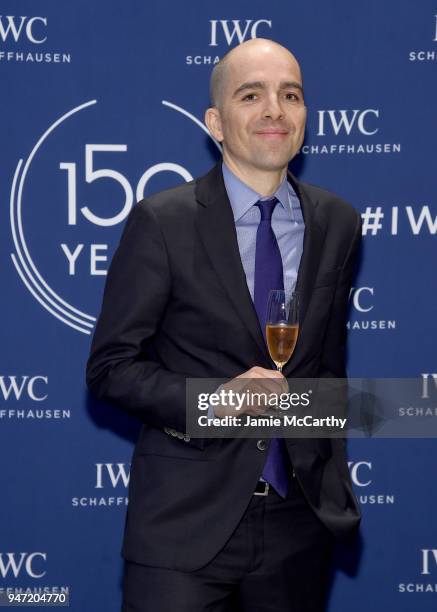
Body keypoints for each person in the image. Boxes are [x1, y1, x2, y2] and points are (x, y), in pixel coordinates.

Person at [86, 38, 362, 612]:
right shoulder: (162, 221)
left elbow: (327, 371)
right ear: (215, 121)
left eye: (291, 95)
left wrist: (334, 464)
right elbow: (111, 369)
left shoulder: (339, 222)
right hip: (184, 526)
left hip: (298, 524)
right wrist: (214, 401)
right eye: (251, 95)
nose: (274, 111)